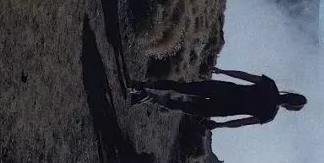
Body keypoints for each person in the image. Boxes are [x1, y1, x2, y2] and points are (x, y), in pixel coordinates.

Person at [129, 69, 306, 129]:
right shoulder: (269, 115)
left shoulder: (270, 85)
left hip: (222, 89)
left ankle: (143, 86)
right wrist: (220, 125)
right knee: (182, 106)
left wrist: (223, 71)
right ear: (290, 108)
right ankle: (147, 96)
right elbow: (241, 122)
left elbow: (244, 76)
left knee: (182, 88)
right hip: (221, 110)